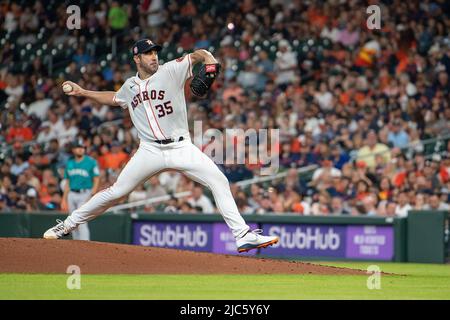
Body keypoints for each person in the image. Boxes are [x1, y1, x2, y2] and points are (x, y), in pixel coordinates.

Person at [44, 39, 278, 253]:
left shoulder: (171, 70)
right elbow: (115, 98)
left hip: (181, 147)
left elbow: (197, 54)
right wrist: (83, 92)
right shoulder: (130, 86)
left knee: (219, 180)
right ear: (137, 59)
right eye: (148, 54)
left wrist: (208, 58)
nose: (154, 56)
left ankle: (242, 235)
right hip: (149, 150)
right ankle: (66, 225)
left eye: (155, 52)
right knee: (116, 192)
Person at [60, 139, 100, 240]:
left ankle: (85, 245)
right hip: (71, 194)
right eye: (78, 147)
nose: (81, 149)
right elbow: (67, 182)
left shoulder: (91, 162)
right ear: (73, 150)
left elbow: (96, 178)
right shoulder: (70, 163)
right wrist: (64, 199)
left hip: (85, 193)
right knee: (72, 222)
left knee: (82, 221)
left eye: (83, 147)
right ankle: (76, 245)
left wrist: (92, 194)